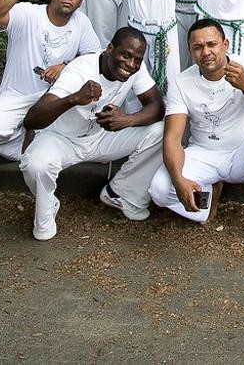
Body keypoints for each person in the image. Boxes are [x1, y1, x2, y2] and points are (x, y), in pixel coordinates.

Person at [148, 19, 244, 252]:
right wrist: (178, 181)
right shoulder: (182, 81)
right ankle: (208, 200)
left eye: (212, 44)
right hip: (204, 153)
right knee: (159, 189)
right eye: (198, 47)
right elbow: (172, 138)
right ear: (190, 51)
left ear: (225, 44)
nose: (206, 52)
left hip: (243, 153)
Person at [20, 27, 165, 241]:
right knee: (36, 165)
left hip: (100, 138)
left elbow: (157, 107)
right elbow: (31, 119)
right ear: (109, 49)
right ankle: (48, 205)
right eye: (125, 55)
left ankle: (121, 194)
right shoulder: (79, 70)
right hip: (62, 141)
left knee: (161, 131)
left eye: (137, 59)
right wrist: (73, 98)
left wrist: (127, 119)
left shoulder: (135, 69)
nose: (131, 64)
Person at [0, 0, 100, 160]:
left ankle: (42, 143)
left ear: (80, 1)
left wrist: (65, 67)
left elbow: (94, 58)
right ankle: (27, 149)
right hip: (16, 95)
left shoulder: (81, 22)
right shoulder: (27, 13)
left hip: (53, 100)